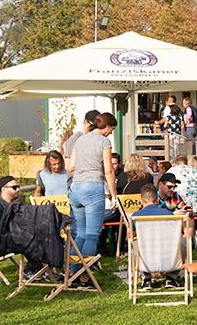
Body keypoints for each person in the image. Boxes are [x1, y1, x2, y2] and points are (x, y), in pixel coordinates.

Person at [66, 112, 118, 289]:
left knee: (80, 234)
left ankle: (72, 274)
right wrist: (113, 194)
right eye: (112, 129)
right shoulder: (104, 142)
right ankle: (85, 280)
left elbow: (71, 167)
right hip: (93, 188)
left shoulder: (81, 139)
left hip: (76, 188)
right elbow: (109, 171)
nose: (111, 133)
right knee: (92, 235)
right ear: (108, 126)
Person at [0, 176, 52, 281]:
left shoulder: (13, 205)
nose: (18, 189)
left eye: (18, 187)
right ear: (3, 189)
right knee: (29, 240)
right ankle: (38, 272)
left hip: (7, 241)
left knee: (39, 235)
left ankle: (36, 271)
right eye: (14, 187)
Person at [131, 183, 185, 290]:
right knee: (185, 241)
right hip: (168, 257)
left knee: (134, 242)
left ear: (141, 200)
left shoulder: (135, 216)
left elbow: (129, 235)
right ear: (157, 201)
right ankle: (171, 278)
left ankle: (146, 279)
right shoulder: (169, 215)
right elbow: (178, 234)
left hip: (147, 257)